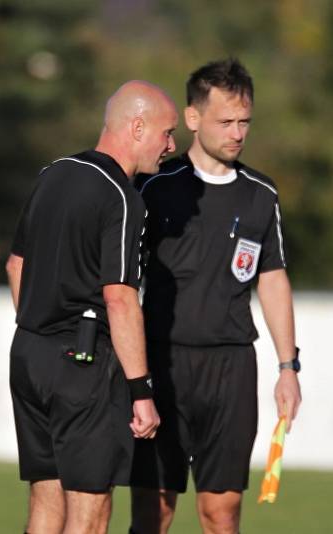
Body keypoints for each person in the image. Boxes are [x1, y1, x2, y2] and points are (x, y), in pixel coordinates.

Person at [129, 59, 303, 534]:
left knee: (221, 512)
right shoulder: (152, 186)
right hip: (161, 365)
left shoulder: (260, 194)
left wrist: (288, 368)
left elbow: (272, 277)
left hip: (230, 369)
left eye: (244, 121)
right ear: (192, 119)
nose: (237, 132)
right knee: (153, 511)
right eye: (225, 121)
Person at [6, 80, 178, 533]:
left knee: (46, 500)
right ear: (137, 127)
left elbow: (15, 264)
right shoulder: (122, 197)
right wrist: (141, 391)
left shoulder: (53, 174)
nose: (171, 146)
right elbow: (119, 298)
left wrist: (40, 327)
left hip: (29, 355)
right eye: (167, 133)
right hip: (83, 364)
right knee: (90, 512)